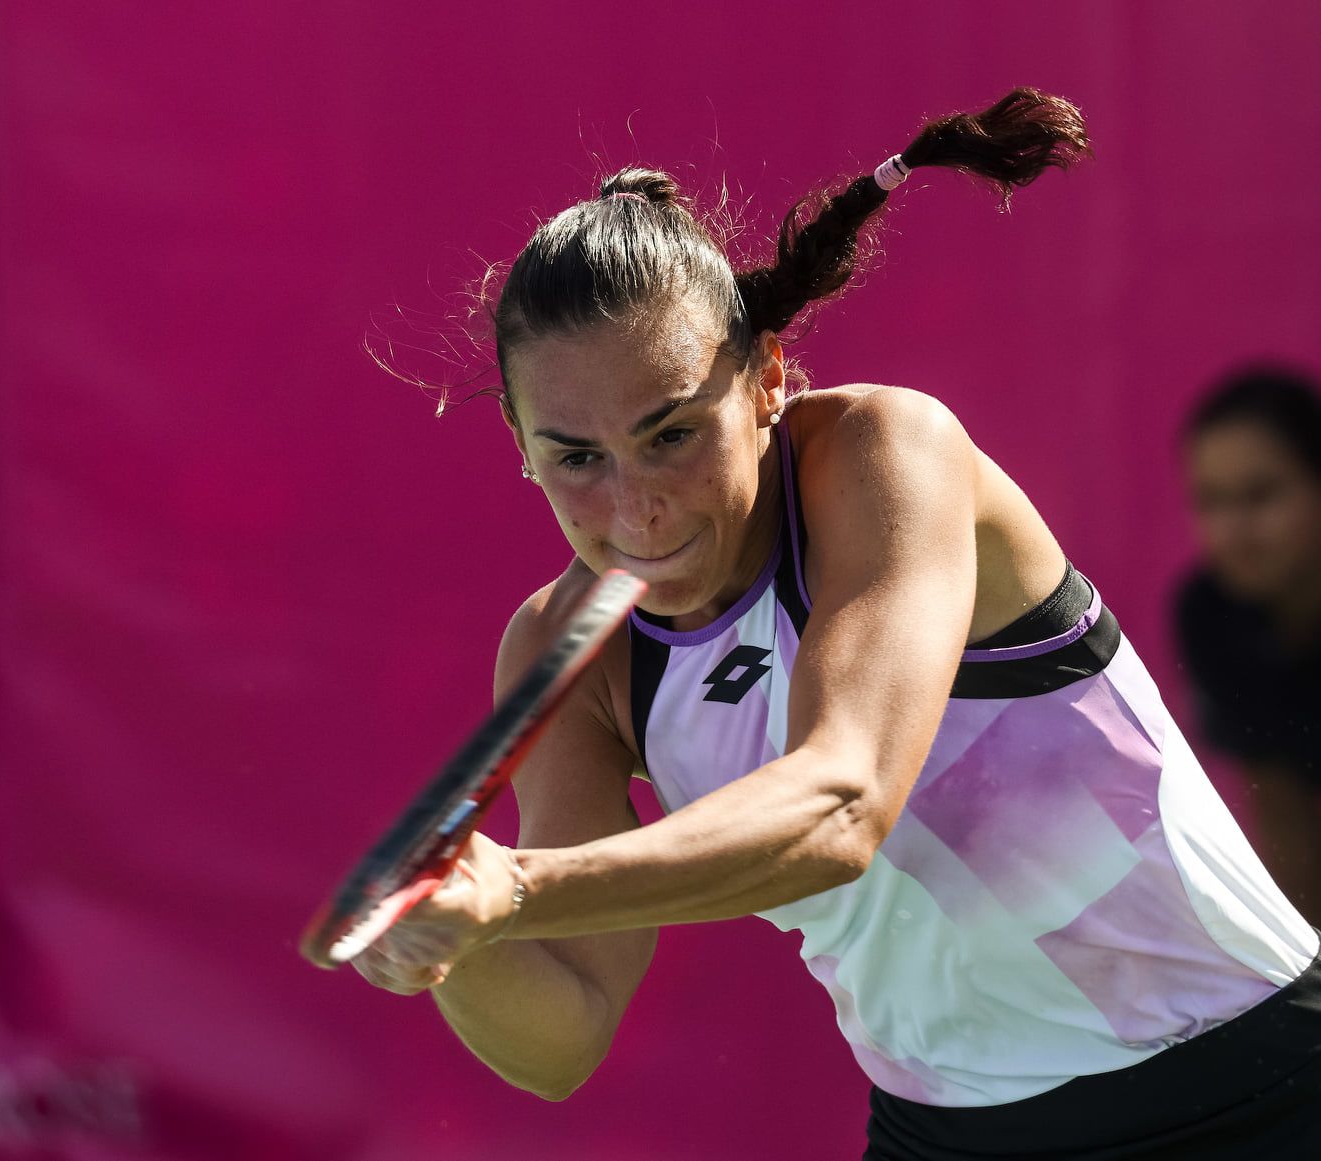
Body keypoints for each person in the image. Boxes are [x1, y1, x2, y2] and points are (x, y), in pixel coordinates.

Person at [350, 90, 1321, 1159]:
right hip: (940, 1137)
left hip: (1257, 1092)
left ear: (766, 378)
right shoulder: (563, 651)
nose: (636, 510)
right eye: (577, 457)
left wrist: (516, 888)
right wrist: (450, 932)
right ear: (520, 444)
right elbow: (563, 1035)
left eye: (672, 434)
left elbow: (840, 807)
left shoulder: (886, 450)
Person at [1176, 367, 1321, 927]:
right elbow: (1281, 812)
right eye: (1211, 501)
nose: (1232, 531)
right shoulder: (1210, 614)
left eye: (1260, 495)